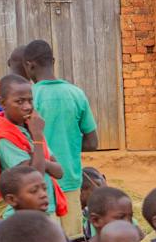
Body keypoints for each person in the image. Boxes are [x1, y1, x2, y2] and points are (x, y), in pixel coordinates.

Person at [23, 41, 101, 218]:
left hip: (39, 184)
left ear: (29, 65)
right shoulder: (76, 94)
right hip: (70, 181)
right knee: (72, 241)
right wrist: (68, 145)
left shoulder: (26, 98)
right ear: (53, 61)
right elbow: (92, 143)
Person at [0, 75, 64, 216]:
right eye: (19, 102)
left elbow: (59, 171)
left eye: (30, 101)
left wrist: (39, 159)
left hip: (45, 208)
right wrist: (38, 139)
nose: (27, 107)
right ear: (3, 103)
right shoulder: (5, 135)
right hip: (24, 214)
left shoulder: (30, 129)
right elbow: (37, 174)